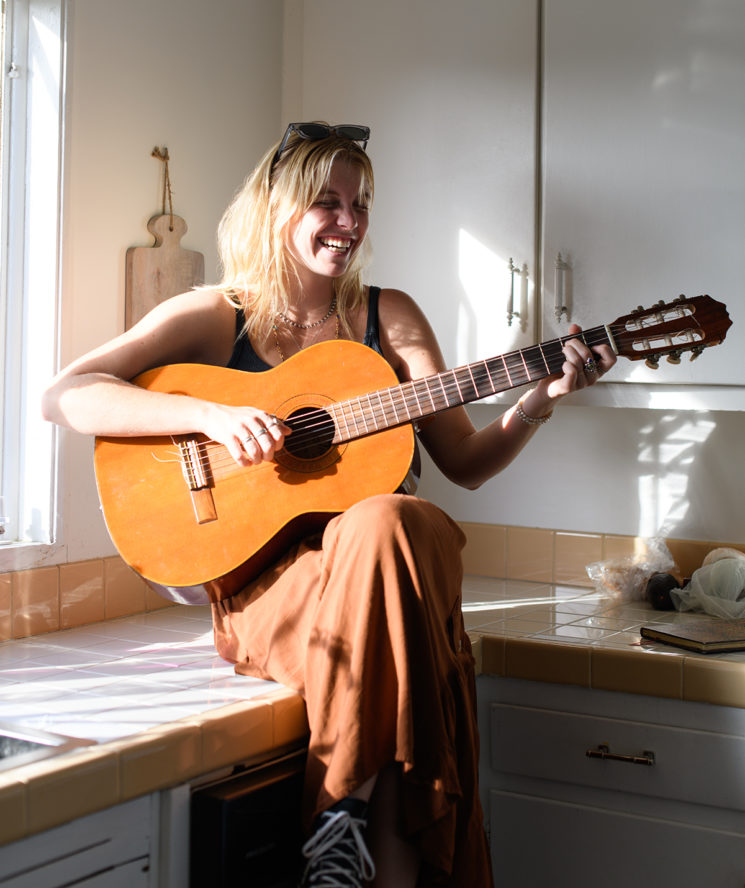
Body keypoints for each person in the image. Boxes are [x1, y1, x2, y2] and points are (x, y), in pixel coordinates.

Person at [42, 122, 616, 887]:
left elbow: (464, 464)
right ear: (279, 209)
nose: (348, 223)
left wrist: (538, 399)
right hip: (271, 591)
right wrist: (209, 417)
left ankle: (338, 823)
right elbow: (66, 394)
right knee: (403, 586)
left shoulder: (391, 317)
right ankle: (362, 835)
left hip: (380, 577)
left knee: (392, 519)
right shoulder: (218, 316)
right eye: (326, 203)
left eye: (361, 204)